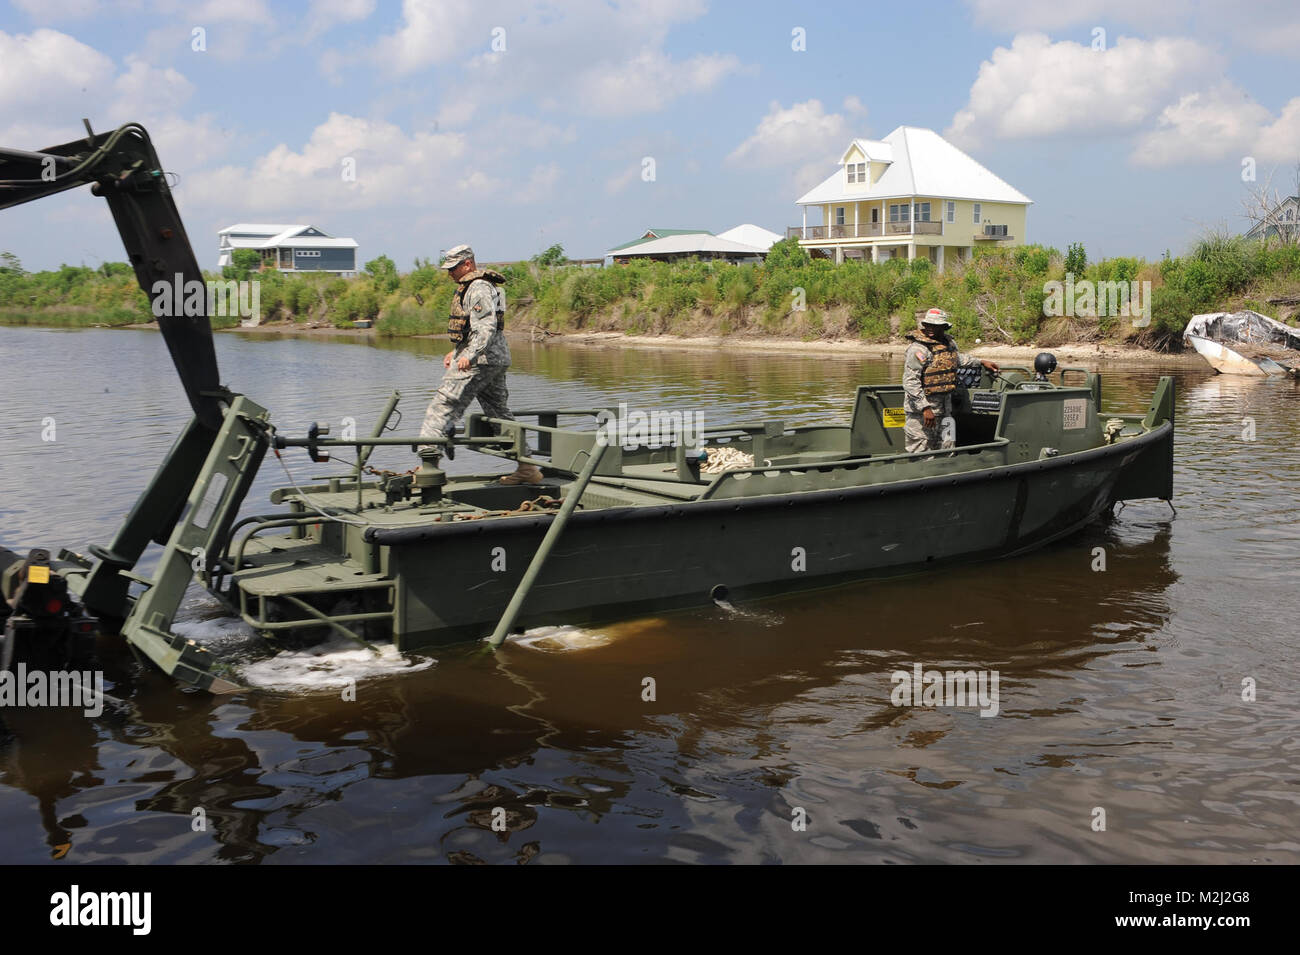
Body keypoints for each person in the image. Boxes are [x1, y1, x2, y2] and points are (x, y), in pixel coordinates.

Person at [419, 244, 542, 485]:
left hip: (481, 361)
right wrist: (456, 352)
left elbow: (485, 328)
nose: (450, 274)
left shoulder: (478, 287)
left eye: (453, 268)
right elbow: (473, 330)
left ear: (467, 264)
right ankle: (527, 467)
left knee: (442, 405)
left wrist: (468, 356)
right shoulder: (478, 286)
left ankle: (428, 469)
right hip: (492, 359)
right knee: (499, 415)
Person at [902, 308, 998, 453]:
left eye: (935, 325)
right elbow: (910, 381)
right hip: (921, 414)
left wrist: (981, 361)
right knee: (921, 451)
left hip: (945, 411)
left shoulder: (948, 345)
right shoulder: (918, 349)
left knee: (948, 449)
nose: (930, 329)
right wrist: (925, 408)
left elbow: (957, 359)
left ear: (944, 327)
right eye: (928, 325)